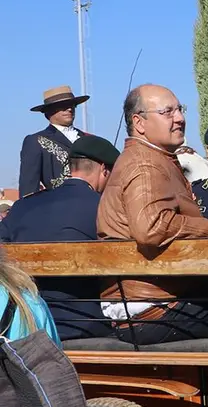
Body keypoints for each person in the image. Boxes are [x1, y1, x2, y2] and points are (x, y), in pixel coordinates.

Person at [97, 84, 208, 345]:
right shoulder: (145, 163)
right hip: (150, 310)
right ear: (140, 122)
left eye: (180, 109)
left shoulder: (153, 158)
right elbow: (152, 227)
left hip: (152, 303)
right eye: (167, 112)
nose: (179, 118)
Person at [0, 136, 120, 340]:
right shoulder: (106, 209)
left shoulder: (22, 207)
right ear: (104, 170)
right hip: (88, 324)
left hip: (30, 324)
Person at [19, 86, 88, 197]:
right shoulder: (36, 141)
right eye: (63, 106)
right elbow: (29, 187)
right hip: (58, 206)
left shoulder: (87, 139)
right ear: (48, 112)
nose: (69, 109)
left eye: (72, 105)